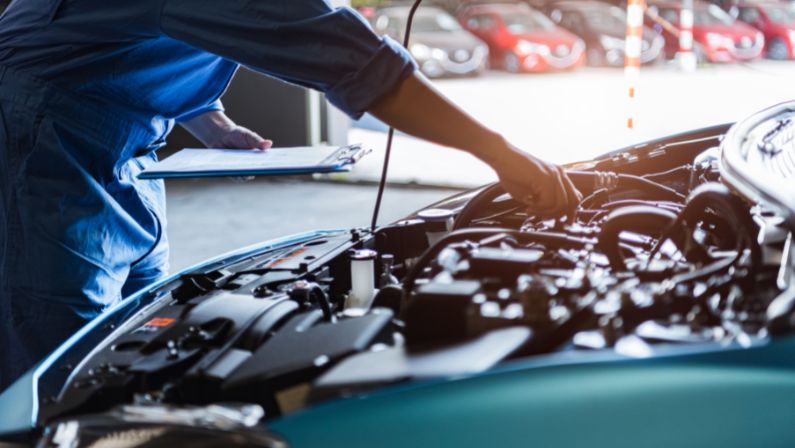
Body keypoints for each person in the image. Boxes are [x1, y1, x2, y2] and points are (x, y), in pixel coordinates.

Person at [0, 0, 580, 390]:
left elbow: (134, 36)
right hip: (40, 140)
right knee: (62, 356)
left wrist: (211, 121)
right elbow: (364, 67)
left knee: (140, 329)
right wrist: (503, 155)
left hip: (114, 142)